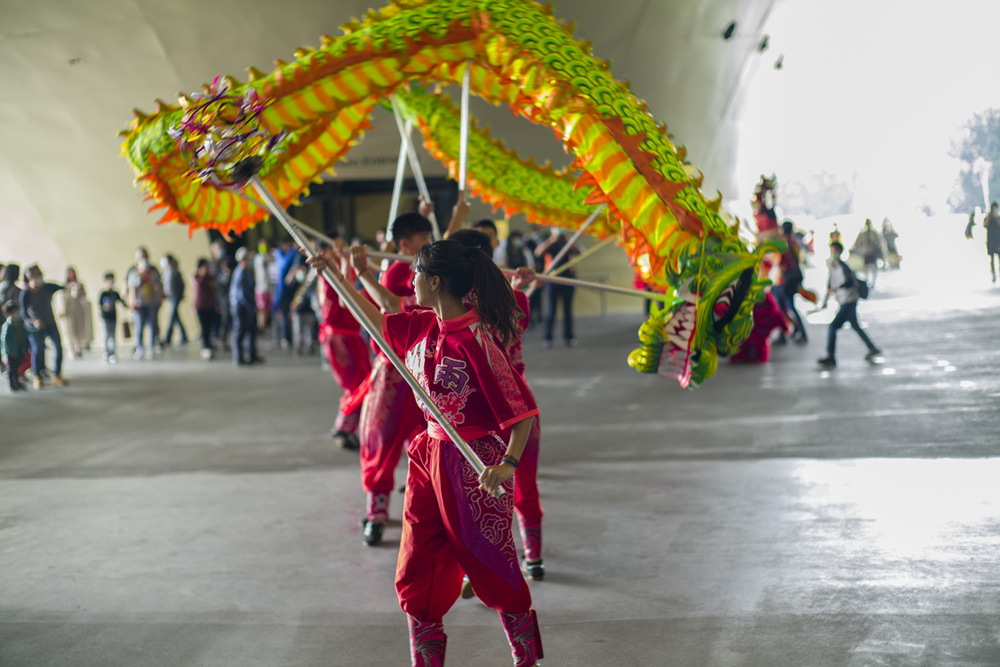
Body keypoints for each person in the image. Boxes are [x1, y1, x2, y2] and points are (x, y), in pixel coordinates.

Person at [309, 238, 543, 667]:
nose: (409, 280)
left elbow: (521, 411)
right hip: (428, 456)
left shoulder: (476, 342)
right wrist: (335, 276)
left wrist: (507, 464)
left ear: (435, 281)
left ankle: (526, 656)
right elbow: (374, 319)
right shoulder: (423, 326)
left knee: (490, 559)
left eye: (416, 273)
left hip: (473, 461)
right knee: (418, 560)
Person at [450, 228, 546, 582]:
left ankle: (478, 570)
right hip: (519, 405)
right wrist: (521, 289)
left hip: (477, 412)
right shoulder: (514, 299)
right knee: (524, 484)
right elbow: (515, 313)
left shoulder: (457, 309)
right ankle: (533, 557)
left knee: (475, 493)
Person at [353, 213, 434, 546]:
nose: (431, 245)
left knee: (428, 442)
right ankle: (376, 512)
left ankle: (433, 509)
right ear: (406, 245)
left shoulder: (426, 268)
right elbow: (389, 304)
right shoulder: (402, 270)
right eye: (425, 240)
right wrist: (359, 273)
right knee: (380, 439)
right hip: (397, 369)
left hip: (424, 367)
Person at [316, 237, 372, 450]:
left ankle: (345, 427)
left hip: (344, 336)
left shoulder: (331, 270)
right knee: (358, 386)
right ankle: (343, 427)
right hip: (342, 338)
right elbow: (344, 296)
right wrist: (346, 260)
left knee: (359, 385)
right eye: (334, 246)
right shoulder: (331, 271)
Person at [817, 241, 881, 368]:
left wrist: (836, 288)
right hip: (844, 301)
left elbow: (849, 282)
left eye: (835, 251)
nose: (833, 254)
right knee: (856, 326)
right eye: (832, 251)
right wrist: (825, 301)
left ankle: (831, 356)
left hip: (849, 301)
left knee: (833, 327)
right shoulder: (833, 268)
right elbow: (829, 286)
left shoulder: (844, 267)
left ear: (840, 252)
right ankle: (872, 348)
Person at [19, 264, 67, 388]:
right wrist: (34, 321)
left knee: (58, 348)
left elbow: (62, 287)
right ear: (30, 277)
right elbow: (23, 314)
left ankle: (56, 375)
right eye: (37, 274)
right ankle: (37, 376)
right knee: (37, 350)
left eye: (40, 274)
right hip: (35, 327)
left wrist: (69, 284)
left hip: (50, 323)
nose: (40, 277)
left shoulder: (47, 287)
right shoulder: (26, 293)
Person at [535, 227, 579, 348]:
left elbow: (580, 251)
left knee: (568, 310)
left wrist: (569, 241)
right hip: (552, 280)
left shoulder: (567, 243)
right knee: (550, 310)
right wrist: (552, 240)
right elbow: (538, 252)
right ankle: (547, 337)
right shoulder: (549, 242)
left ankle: (569, 337)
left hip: (567, 279)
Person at [124, 247, 163, 360]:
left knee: (152, 326)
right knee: (139, 327)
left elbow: (159, 286)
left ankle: (151, 348)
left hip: (152, 302)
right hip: (139, 304)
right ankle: (140, 348)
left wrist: (160, 297)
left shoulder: (154, 271)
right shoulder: (133, 272)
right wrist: (131, 301)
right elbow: (131, 288)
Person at [774, 220, 808, 344]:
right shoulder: (795, 242)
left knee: (783, 307)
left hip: (784, 279)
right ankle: (797, 331)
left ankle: (787, 333)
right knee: (789, 306)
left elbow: (779, 261)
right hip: (793, 277)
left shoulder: (784, 243)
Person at [230, 247, 260, 366]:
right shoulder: (240, 272)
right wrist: (251, 306)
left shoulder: (247, 271)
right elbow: (241, 294)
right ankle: (238, 358)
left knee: (251, 331)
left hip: (247, 306)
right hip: (240, 307)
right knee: (239, 331)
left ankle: (252, 356)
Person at [59, 267, 91, 358]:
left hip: (78, 309)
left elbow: (84, 296)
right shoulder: (64, 287)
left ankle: (78, 348)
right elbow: (61, 299)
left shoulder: (79, 284)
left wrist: (81, 289)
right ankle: (71, 349)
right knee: (69, 330)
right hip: (69, 310)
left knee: (79, 328)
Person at [192, 258, 219, 360]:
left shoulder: (210, 277)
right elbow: (198, 288)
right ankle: (205, 347)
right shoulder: (196, 277)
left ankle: (209, 344)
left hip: (210, 304)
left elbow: (214, 289)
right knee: (204, 327)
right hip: (200, 305)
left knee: (210, 326)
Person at [2, 301, 30, 392]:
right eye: (14, 312)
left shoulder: (19, 323)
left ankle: (17, 382)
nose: (17, 313)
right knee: (11, 369)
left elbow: (25, 333)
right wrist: (8, 352)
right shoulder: (7, 326)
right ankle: (11, 384)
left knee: (17, 368)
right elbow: (4, 341)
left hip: (19, 349)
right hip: (11, 352)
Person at [161, 254, 189, 346]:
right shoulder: (166, 271)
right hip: (169, 297)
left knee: (171, 317)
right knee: (176, 318)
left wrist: (180, 295)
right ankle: (184, 336)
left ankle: (167, 338)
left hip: (175, 297)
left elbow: (182, 284)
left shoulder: (175, 271)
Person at [97, 272, 125, 363]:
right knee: (106, 335)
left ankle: (112, 354)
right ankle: (106, 353)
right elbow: (99, 305)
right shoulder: (103, 293)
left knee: (112, 336)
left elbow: (122, 302)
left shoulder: (115, 293)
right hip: (104, 318)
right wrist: (105, 308)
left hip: (113, 317)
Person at [852, 218, 883, 288]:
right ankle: (867, 281)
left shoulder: (874, 233)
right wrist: (855, 250)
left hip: (873, 253)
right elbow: (857, 243)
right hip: (866, 253)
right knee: (866, 269)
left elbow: (878, 243)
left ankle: (873, 282)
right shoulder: (862, 234)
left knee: (874, 269)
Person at [254, 239, 273, 334]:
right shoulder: (258, 258)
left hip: (268, 287)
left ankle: (264, 326)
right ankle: (261, 327)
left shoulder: (269, 256)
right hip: (261, 288)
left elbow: (272, 261)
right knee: (262, 309)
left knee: (267, 309)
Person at [985, 202, 1000, 283]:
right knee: (992, 259)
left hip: (998, 241)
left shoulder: (998, 216)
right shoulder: (988, 217)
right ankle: (993, 274)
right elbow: (985, 225)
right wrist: (990, 217)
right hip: (990, 241)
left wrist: (996, 217)